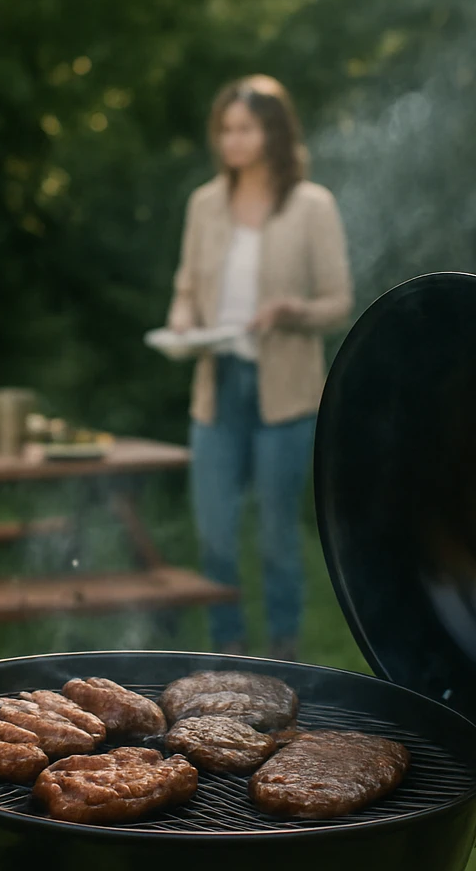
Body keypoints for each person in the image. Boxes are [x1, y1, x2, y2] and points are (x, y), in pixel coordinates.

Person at [166, 75, 353, 661]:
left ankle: (285, 657)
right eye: (225, 128)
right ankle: (229, 653)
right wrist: (180, 324)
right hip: (217, 388)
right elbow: (188, 289)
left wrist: (292, 309)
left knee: (276, 537)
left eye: (244, 127)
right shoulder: (203, 203)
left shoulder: (312, 205)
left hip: (286, 395)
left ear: (273, 132)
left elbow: (338, 301)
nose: (232, 139)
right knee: (216, 534)